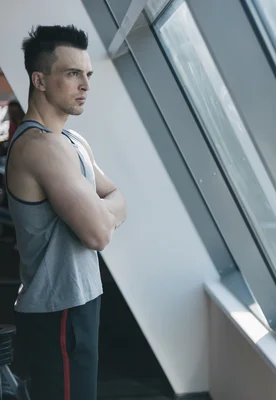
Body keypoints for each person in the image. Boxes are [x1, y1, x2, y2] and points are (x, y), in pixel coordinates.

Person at [5, 25, 126, 399]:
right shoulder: (40, 147)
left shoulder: (72, 141)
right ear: (39, 80)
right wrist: (104, 212)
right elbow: (98, 235)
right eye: (73, 74)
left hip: (79, 300)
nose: (86, 85)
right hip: (58, 309)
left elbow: (119, 196)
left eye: (87, 74)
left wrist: (99, 209)